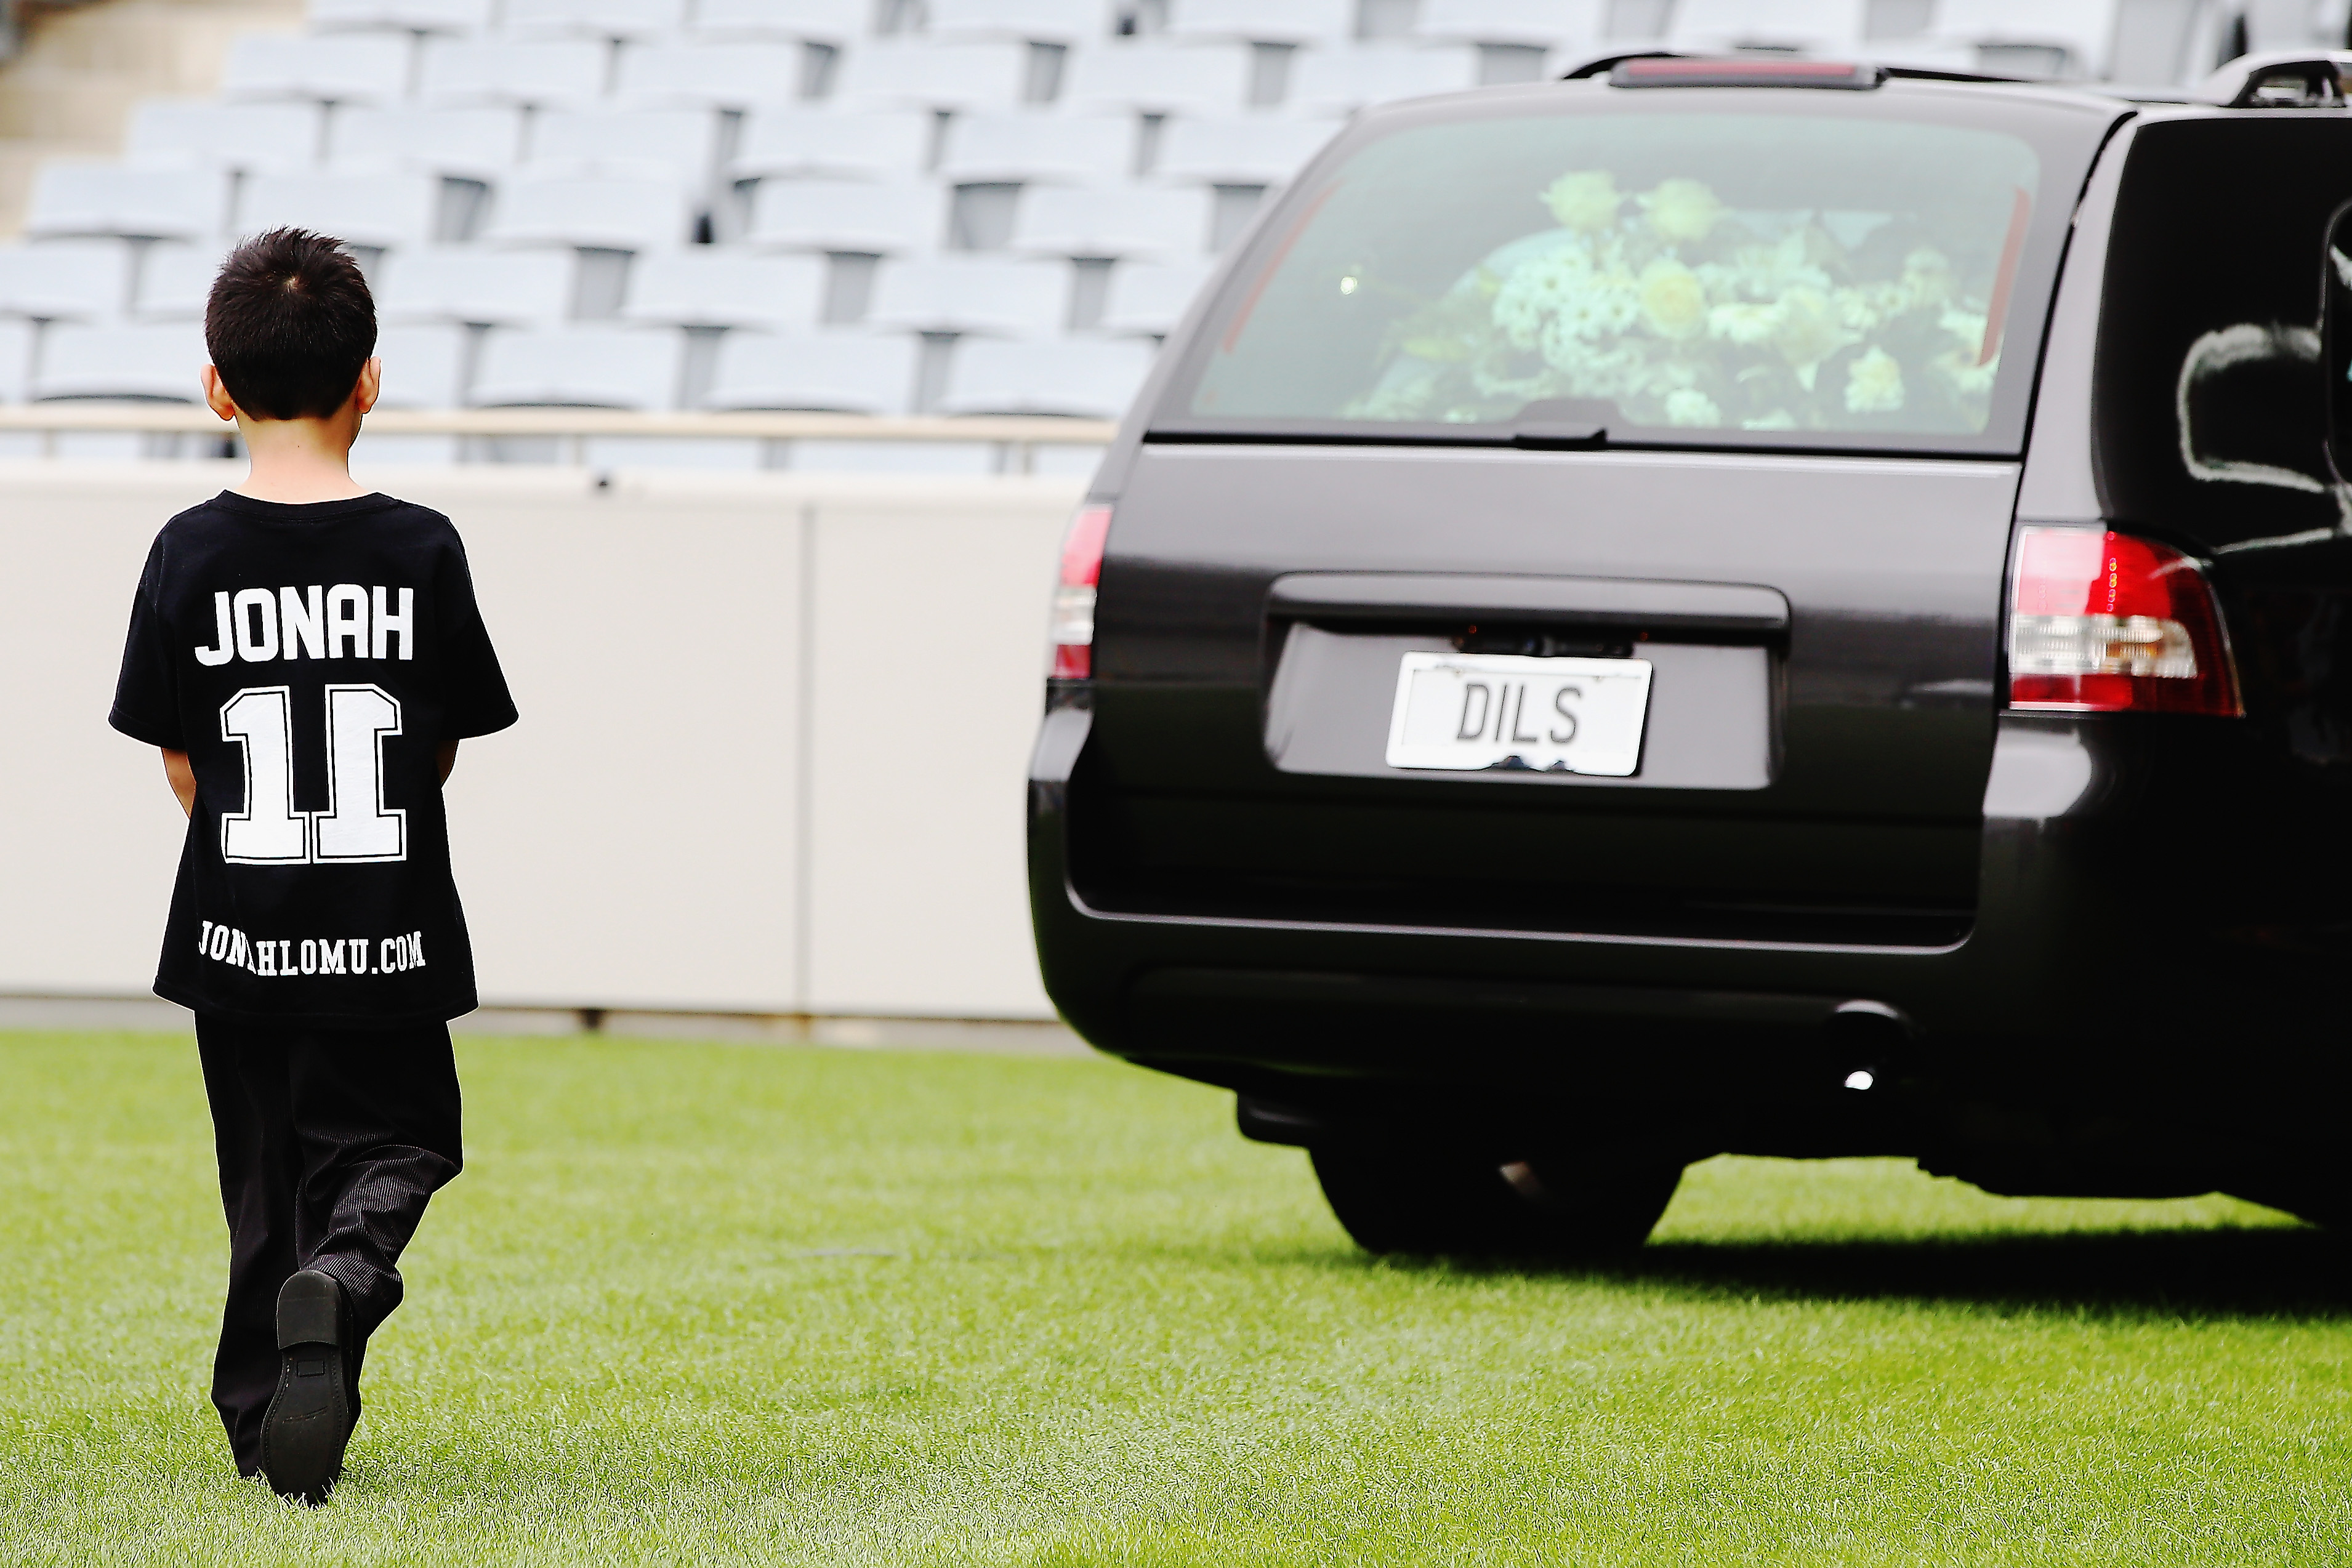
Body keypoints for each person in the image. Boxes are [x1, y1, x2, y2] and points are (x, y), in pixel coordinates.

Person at [107, 228, 518, 1505]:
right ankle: (337, 1284)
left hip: (235, 931)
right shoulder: (422, 549)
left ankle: (260, 1428)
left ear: (216, 387)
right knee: (400, 1143)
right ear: (371, 380)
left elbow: (181, 762)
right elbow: (439, 747)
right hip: (383, 928)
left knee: (260, 1178)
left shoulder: (186, 550)